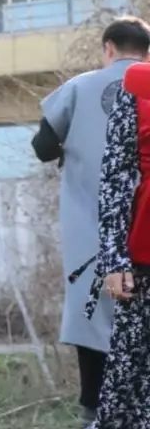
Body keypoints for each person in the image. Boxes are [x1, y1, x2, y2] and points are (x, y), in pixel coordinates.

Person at [33, 16, 150, 427]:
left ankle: (92, 411)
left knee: (91, 313)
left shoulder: (81, 87)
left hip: (90, 227)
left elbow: (44, 146)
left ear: (109, 49)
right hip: (143, 227)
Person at [83, 59, 150, 429]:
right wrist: (114, 258)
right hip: (144, 255)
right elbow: (116, 176)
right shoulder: (137, 85)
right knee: (128, 386)